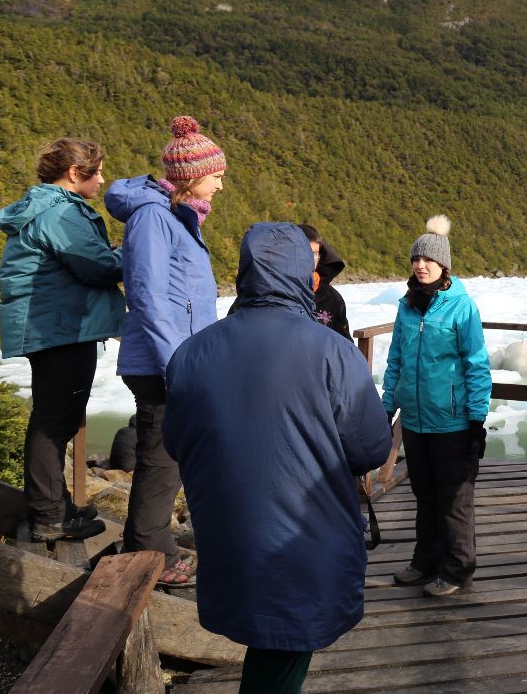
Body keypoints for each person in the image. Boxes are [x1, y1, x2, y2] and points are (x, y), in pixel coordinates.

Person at [163, 223, 392, 694]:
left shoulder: (191, 353)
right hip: (304, 537)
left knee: (271, 641)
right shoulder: (333, 352)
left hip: (228, 534)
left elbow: (175, 441)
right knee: (286, 643)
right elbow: (371, 446)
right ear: (299, 274)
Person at [105, 114, 226, 587]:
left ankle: (154, 544)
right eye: (216, 175)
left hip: (175, 358)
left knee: (169, 452)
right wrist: (178, 362)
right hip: (162, 362)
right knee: (160, 454)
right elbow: (149, 296)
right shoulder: (154, 216)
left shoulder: (176, 215)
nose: (220, 185)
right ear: (193, 175)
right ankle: (149, 551)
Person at [0, 138, 123, 541]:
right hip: (59, 329)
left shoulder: (47, 208)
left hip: (52, 326)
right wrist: (131, 253)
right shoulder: (59, 214)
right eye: (96, 171)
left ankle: (55, 506)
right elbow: (96, 268)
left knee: (56, 417)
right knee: (54, 421)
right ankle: (49, 515)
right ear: (74, 173)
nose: (101, 180)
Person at [383, 215, 491, 597]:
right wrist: (387, 407)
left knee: (454, 499)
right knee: (424, 495)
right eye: (415, 259)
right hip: (415, 420)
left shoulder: (462, 308)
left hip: (452, 422)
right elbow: (395, 359)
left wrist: (476, 420)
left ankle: (458, 568)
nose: (420, 265)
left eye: (428, 259)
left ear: (444, 264)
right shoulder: (407, 307)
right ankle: (425, 561)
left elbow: (477, 365)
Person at [298, 224, 351, 340]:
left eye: (315, 253)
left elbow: (345, 344)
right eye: (306, 252)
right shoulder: (275, 295)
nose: (311, 259)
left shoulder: (332, 298)